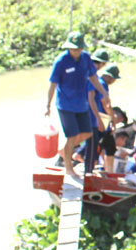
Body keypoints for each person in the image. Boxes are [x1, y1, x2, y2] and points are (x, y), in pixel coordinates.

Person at [45, 31, 110, 178]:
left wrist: (104, 93)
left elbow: (93, 77)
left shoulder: (86, 58)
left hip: (81, 104)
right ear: (68, 48)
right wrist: (47, 105)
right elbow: (52, 84)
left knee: (88, 133)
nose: (76, 51)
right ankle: (69, 168)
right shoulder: (61, 61)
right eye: (73, 49)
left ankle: (65, 149)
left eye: (78, 48)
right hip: (65, 105)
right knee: (72, 135)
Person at [84, 63, 119, 174]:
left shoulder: (95, 81)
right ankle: (109, 172)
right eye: (114, 79)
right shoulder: (102, 84)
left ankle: (95, 169)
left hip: (93, 118)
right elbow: (106, 104)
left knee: (97, 146)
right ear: (109, 77)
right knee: (108, 146)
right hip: (101, 119)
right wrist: (113, 120)